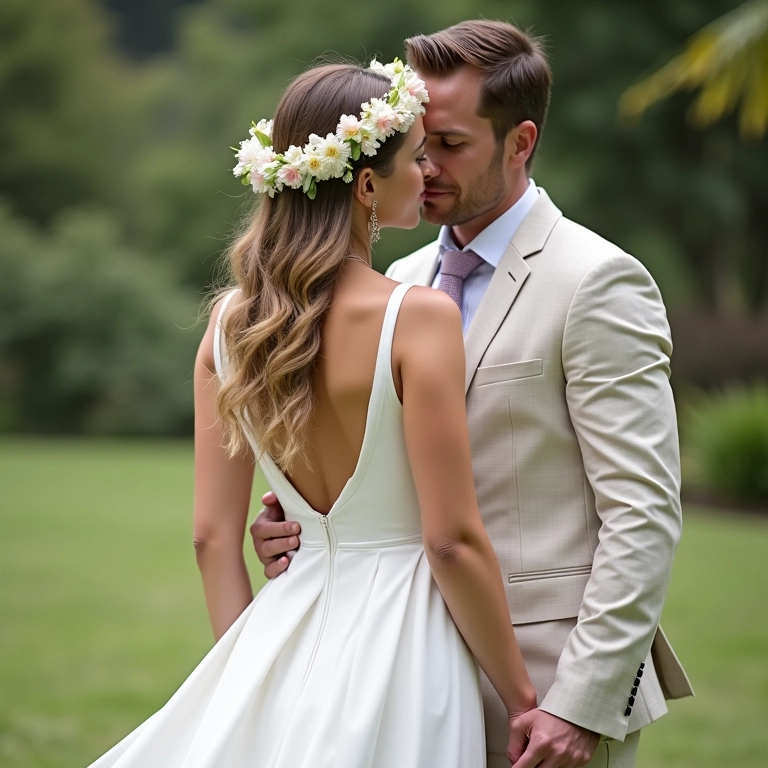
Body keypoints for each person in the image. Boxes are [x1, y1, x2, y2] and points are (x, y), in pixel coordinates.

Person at [251, 21, 694, 768]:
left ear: (520, 142)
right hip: (399, 675)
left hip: (545, 687)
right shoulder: (397, 284)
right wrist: (300, 525)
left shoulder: (598, 282)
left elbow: (642, 513)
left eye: (450, 146)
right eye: (418, 146)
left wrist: (578, 704)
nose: (423, 169)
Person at [85, 60, 537, 768]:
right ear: (365, 184)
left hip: (280, 626)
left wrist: (244, 678)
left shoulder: (230, 326)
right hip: (404, 644)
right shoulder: (418, 318)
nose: (427, 174)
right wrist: (521, 701)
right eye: (415, 158)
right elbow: (449, 541)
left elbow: (212, 539)